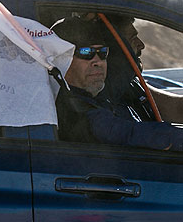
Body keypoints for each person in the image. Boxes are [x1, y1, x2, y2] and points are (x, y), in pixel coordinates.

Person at [52, 16, 183, 151]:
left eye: (103, 53)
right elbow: (126, 133)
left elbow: (175, 109)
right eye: (86, 52)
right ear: (62, 59)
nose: (98, 61)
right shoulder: (72, 108)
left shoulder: (109, 93)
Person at [99, 14, 183, 123]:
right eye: (133, 38)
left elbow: (176, 109)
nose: (141, 45)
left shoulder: (129, 84)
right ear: (115, 49)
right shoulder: (103, 92)